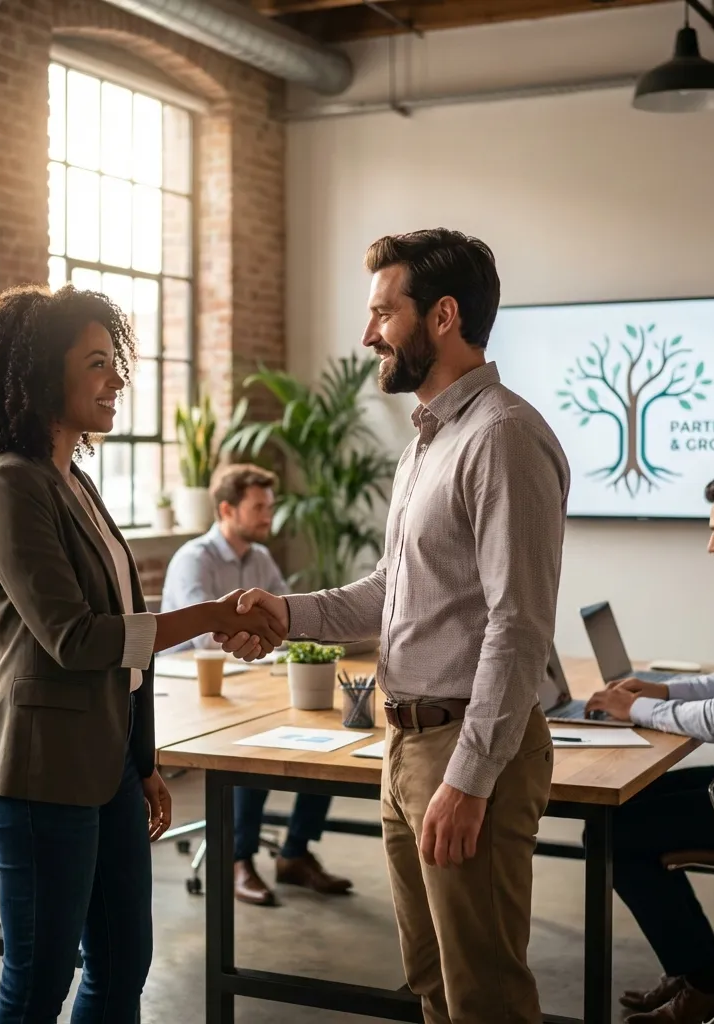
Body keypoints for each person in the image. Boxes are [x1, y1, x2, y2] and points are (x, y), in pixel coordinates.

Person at [218, 230, 570, 1024]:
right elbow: (391, 591)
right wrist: (285, 614)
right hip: (406, 742)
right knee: (432, 985)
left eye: (384, 312)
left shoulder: (502, 437)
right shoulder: (427, 445)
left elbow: (517, 627)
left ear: (442, 316)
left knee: (485, 998)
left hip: (462, 750)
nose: (368, 334)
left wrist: (470, 779)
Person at [0, 283, 284, 1024]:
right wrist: (209, 615)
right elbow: (77, 637)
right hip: (38, 770)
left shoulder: (76, 484)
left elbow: (126, 636)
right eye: (96, 362)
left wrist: (144, 763)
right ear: (39, 375)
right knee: (38, 984)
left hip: (108, 769)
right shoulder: (8, 486)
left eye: (114, 361)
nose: (117, 378)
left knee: (123, 964)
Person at [586, 468, 714, 1024]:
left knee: (612, 832)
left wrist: (637, 709)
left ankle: (707, 985)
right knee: (624, 809)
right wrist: (662, 689)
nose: (709, 545)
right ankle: (696, 969)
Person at [161, 462, 352, 906]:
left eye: (270, 506)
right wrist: (255, 627)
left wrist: (266, 626)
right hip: (194, 691)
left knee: (324, 730)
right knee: (255, 747)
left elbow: (283, 620)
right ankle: (237, 858)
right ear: (227, 509)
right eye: (259, 507)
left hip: (249, 680)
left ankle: (294, 853)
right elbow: (203, 632)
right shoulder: (195, 558)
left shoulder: (261, 559)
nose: (269, 515)